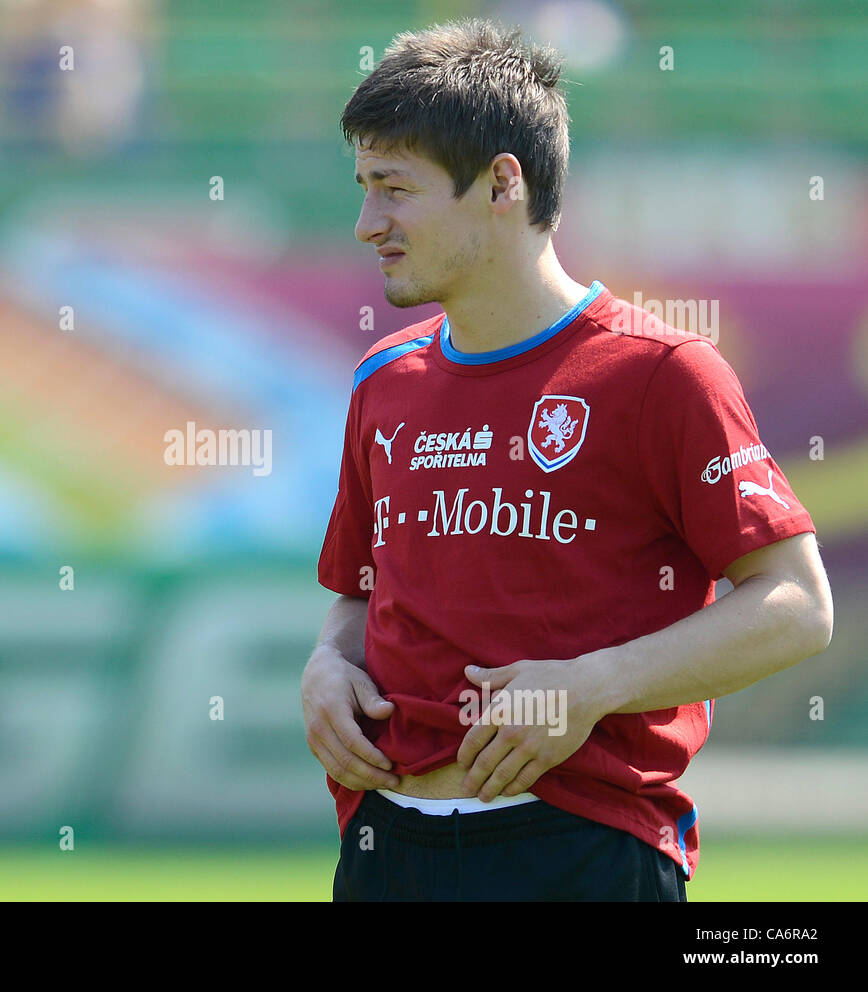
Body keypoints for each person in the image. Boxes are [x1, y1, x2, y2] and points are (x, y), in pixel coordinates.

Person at [302, 17, 834, 901]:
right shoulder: (385, 378)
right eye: (363, 187)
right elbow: (357, 593)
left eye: (393, 188)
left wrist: (591, 685)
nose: (368, 223)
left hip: (580, 851)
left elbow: (796, 604)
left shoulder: (661, 373)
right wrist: (326, 667)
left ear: (503, 182)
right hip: (385, 850)